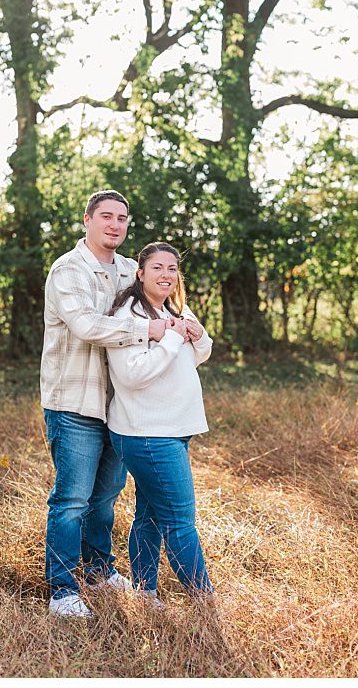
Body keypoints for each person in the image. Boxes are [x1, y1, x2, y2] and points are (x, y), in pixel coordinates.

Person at [41, 191, 169, 618]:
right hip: (74, 401)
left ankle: (98, 569)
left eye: (122, 219)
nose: (115, 225)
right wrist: (149, 331)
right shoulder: (68, 269)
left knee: (106, 496)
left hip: (116, 403)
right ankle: (62, 591)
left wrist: (178, 325)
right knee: (72, 499)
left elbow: (156, 302)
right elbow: (86, 325)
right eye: (106, 217)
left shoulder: (130, 270)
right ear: (88, 220)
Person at [105, 242, 216, 604]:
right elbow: (132, 375)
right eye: (157, 268)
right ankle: (204, 600)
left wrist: (199, 338)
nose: (166, 275)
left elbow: (191, 358)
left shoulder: (173, 308)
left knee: (150, 516)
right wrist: (171, 338)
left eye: (172, 268)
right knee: (181, 520)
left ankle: (145, 593)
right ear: (140, 273)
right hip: (148, 433)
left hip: (171, 429)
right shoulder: (129, 314)